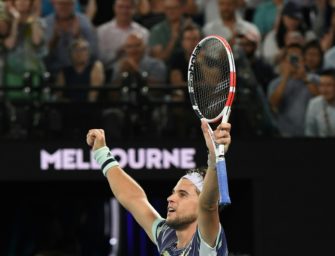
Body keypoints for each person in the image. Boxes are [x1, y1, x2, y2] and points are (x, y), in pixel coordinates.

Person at [85, 120, 232, 255]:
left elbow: (208, 206)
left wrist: (214, 157)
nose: (171, 198)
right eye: (173, 193)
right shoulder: (167, 236)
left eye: (183, 194)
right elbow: (134, 199)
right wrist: (102, 154)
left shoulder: (207, 244)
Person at [267, 43, 319, 137]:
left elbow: (320, 98)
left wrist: (304, 77)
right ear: (284, 61)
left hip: (310, 134)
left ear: (304, 60)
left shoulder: (314, 79)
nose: (295, 62)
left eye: (298, 58)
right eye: (291, 58)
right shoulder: (275, 83)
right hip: (285, 133)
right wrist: (286, 76)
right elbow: (273, 104)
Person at [97, 0, 149, 76]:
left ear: (134, 9)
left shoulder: (143, 32)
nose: (124, 11)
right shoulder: (102, 32)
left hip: (139, 71)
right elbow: (100, 60)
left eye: (128, 7)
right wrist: (117, 52)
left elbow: (146, 57)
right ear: (114, 8)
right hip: (110, 73)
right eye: (121, 7)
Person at [305, 68, 335, 137]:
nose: (324, 90)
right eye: (321, 85)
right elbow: (310, 132)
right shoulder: (314, 104)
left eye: (329, 85)